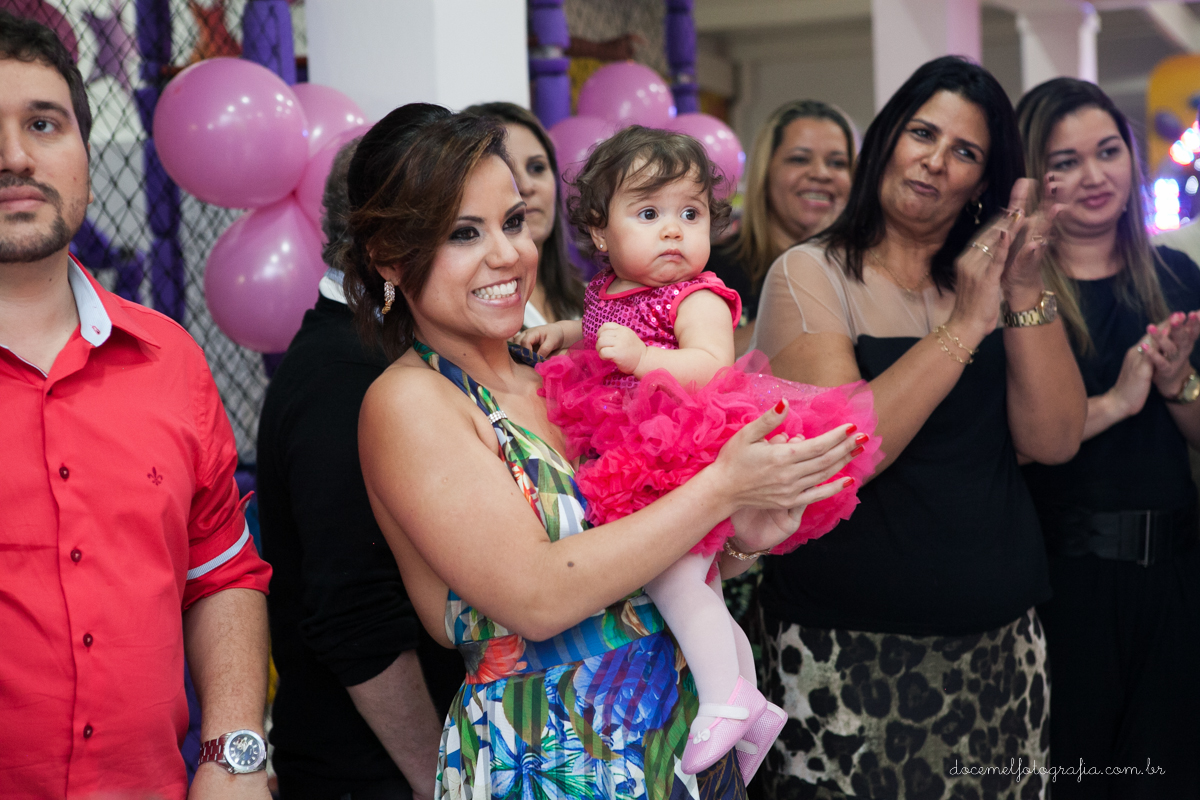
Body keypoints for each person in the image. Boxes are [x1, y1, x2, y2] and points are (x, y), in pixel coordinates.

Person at [342, 105, 865, 799]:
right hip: (556, 751)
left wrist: (743, 534)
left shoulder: (560, 374)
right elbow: (537, 596)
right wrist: (718, 490)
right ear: (390, 258)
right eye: (464, 233)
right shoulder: (412, 401)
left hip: (681, 734)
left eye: (514, 222)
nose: (508, 255)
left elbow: (652, 551)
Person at [749, 56, 1087, 799]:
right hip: (846, 652)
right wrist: (964, 325)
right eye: (922, 133)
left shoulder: (992, 283)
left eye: (964, 151)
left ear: (983, 183)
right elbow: (844, 452)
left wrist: (1022, 287)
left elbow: (1054, 439)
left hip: (1002, 647)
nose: (936, 160)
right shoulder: (810, 273)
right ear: (887, 139)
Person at [516, 125, 880, 780]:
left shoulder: (698, 295)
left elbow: (712, 364)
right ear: (599, 232)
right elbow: (597, 330)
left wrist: (643, 357)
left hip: (683, 449)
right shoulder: (606, 291)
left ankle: (726, 699)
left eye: (691, 215)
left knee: (674, 579)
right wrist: (566, 334)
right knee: (697, 584)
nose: (673, 232)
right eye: (648, 214)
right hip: (638, 448)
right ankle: (749, 700)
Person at [0, 11, 272, 800]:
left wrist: (233, 752)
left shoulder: (168, 359)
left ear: (85, 156)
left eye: (43, 124)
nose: (15, 156)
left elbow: (220, 572)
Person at [258, 110, 463, 800]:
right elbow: (354, 616)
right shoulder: (342, 376)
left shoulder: (387, 352)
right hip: (371, 775)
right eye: (459, 230)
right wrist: (440, 779)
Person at [1016, 78, 1200, 798]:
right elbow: (1012, 445)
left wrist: (1178, 383)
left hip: (1175, 578)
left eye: (1108, 151)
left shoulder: (1175, 275)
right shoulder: (1020, 293)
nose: (1094, 176)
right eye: (1065, 162)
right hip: (1063, 586)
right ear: (1034, 177)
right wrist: (1118, 403)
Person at [707, 100, 856, 353]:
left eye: (837, 163)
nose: (821, 173)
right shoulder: (713, 270)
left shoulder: (867, 270)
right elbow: (703, 363)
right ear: (765, 172)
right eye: (799, 159)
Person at [462, 101, 584, 328]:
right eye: (507, 171)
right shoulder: (479, 301)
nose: (526, 186)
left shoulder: (594, 296)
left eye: (537, 167)